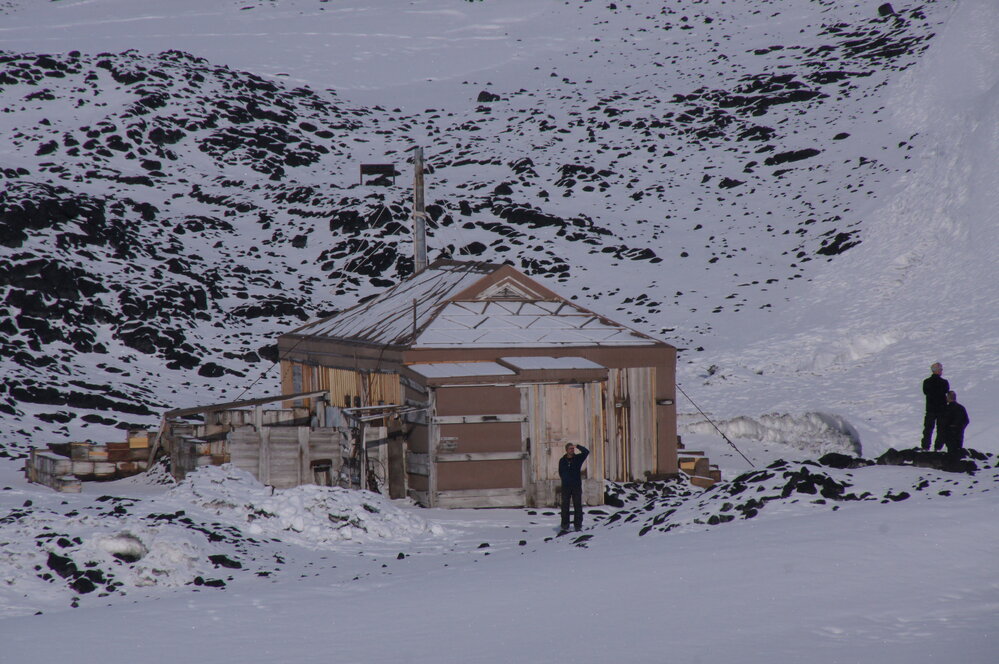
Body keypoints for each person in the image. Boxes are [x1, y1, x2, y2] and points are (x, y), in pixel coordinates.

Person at [558, 442, 589, 533]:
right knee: (565, 506)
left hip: (576, 486)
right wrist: (565, 479)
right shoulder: (562, 460)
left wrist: (578, 446)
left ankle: (578, 525)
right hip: (566, 486)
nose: (572, 450)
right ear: (566, 450)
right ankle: (565, 525)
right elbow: (561, 472)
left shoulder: (578, 458)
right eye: (570, 449)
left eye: (573, 449)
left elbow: (586, 452)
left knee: (577, 506)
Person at [921, 362, 949, 450]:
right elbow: (945, 391)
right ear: (937, 371)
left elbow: (925, 392)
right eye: (941, 369)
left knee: (928, 429)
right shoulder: (944, 382)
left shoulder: (926, 382)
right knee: (941, 429)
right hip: (941, 409)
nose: (942, 371)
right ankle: (938, 447)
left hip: (930, 409)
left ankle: (925, 446)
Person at [940, 391, 969, 457]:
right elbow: (966, 420)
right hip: (959, 432)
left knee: (951, 451)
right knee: (958, 450)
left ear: (948, 397)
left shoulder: (947, 408)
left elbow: (943, 421)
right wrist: (961, 428)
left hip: (949, 433)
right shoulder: (961, 408)